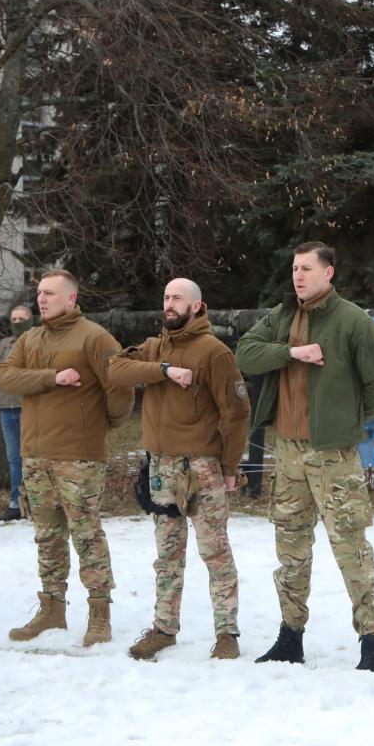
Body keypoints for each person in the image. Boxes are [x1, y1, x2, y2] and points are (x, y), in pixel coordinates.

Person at [236, 241, 374, 671]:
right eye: (294, 268)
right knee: (290, 547)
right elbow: (246, 355)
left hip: (333, 455)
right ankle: (291, 637)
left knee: (350, 546)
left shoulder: (352, 321)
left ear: (329, 273)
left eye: (307, 268)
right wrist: (291, 352)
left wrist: (344, 419)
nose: (298, 276)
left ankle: (371, 640)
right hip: (287, 452)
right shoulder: (284, 316)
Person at [108, 278, 251, 661]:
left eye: (178, 299)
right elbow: (115, 371)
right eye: (166, 297)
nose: (169, 304)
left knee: (215, 553)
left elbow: (236, 415)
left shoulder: (214, 352)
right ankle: (164, 629)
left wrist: (230, 467)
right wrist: (165, 370)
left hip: (200, 468)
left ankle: (226, 634)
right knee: (167, 555)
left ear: (197, 306)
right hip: (160, 468)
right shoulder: (155, 347)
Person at [0, 269, 133, 647]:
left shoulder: (94, 337)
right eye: (40, 293)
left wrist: (100, 425)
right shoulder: (31, 338)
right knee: (47, 536)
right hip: (36, 454)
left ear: (71, 298)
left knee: (86, 535)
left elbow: (121, 389)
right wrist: (51, 378)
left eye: (50, 294)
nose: (41, 299)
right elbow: (5, 377)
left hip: (79, 457)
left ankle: (99, 614)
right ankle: (52, 609)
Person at [0, 304, 35, 522]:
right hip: (7, 408)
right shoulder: (4, 345)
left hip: (32, 406)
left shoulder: (38, 340)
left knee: (34, 457)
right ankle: (16, 502)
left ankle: (38, 502)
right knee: (14, 459)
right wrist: (9, 368)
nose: (17, 322)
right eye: (14, 319)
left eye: (22, 318)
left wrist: (11, 370)